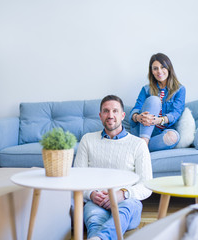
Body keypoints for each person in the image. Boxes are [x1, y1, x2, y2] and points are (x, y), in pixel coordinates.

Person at [74, 95, 152, 240]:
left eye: (115, 111)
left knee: (121, 214)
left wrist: (123, 193)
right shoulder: (87, 140)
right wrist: (91, 194)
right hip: (96, 201)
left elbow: (147, 185)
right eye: (106, 111)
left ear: (123, 116)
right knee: (95, 222)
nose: (110, 115)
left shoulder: (138, 144)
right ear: (100, 115)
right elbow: (77, 179)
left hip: (127, 202)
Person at [129, 53, 186, 152]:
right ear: (152, 71)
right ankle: (144, 142)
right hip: (142, 130)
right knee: (154, 100)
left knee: (173, 137)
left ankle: (140, 147)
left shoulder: (180, 89)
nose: (159, 71)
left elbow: (176, 113)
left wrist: (159, 120)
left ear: (169, 68)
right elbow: (136, 109)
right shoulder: (146, 89)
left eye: (163, 67)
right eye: (155, 68)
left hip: (161, 132)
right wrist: (138, 117)